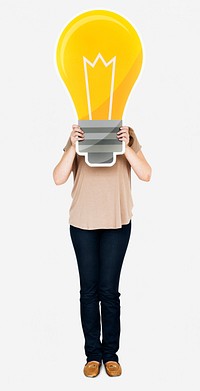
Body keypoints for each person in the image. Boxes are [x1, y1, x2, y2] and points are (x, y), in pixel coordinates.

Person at [53, 124, 152, 377]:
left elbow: (146, 173)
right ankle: (92, 356)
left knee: (108, 291)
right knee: (89, 291)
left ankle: (111, 355)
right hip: (82, 223)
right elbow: (58, 177)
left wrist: (126, 147)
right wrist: (73, 147)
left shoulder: (127, 133)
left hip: (117, 224)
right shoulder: (79, 134)